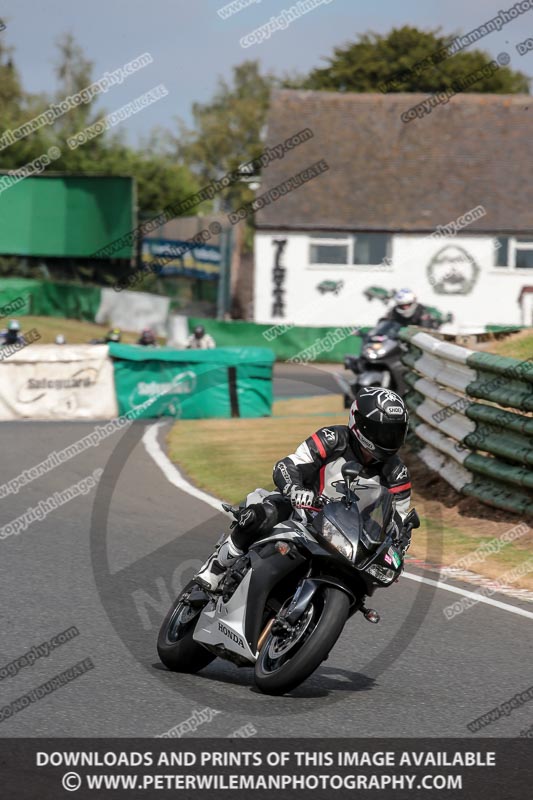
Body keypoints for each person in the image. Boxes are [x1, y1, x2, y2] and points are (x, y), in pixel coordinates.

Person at [196, 387, 412, 591]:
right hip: (301, 511)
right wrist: (294, 488)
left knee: (363, 580)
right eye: (382, 432)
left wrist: (396, 551)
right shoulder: (333, 438)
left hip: (345, 536)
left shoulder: (397, 473)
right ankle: (217, 566)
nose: (389, 439)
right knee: (263, 515)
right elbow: (287, 464)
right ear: (360, 425)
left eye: (395, 432)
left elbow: (399, 520)